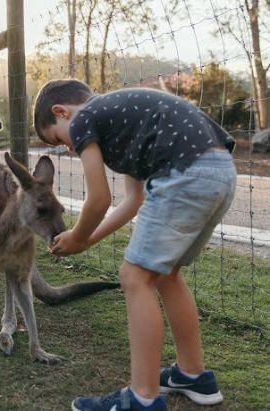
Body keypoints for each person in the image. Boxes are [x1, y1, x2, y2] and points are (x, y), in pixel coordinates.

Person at [33, 79, 236, 411]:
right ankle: (193, 374)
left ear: (62, 112)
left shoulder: (86, 118)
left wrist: (78, 236)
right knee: (167, 273)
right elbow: (133, 201)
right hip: (219, 172)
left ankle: (143, 397)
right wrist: (85, 243)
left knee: (134, 277)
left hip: (185, 173)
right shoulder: (123, 121)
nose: (70, 149)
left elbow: (99, 199)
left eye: (58, 138)